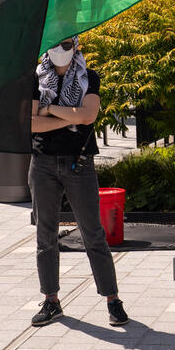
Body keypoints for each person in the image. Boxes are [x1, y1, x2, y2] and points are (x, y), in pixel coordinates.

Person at [29, 36, 128, 327]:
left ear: (77, 46)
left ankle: (113, 300)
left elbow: (89, 115)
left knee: (93, 234)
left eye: (67, 45)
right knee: (45, 235)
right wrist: (72, 117)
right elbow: (31, 122)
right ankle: (51, 300)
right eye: (54, 44)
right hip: (43, 162)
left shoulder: (89, 77)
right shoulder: (34, 79)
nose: (61, 51)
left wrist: (49, 110)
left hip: (79, 162)